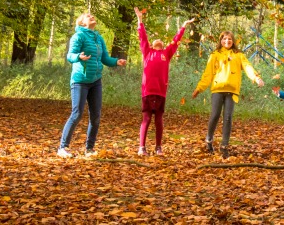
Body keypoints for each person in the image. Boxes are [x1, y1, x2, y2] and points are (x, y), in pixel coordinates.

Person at [58, 13, 126, 158]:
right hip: (80, 80)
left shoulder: (98, 38)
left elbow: (105, 58)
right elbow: (70, 55)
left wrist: (116, 62)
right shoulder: (78, 36)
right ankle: (63, 148)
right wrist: (78, 57)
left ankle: (89, 149)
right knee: (76, 114)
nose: (92, 17)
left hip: (95, 81)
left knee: (95, 116)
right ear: (82, 23)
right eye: (88, 16)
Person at [191, 31, 264, 159]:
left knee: (228, 118)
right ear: (220, 41)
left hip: (232, 91)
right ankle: (209, 139)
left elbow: (248, 67)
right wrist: (199, 88)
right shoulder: (215, 55)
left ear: (233, 41)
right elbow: (208, 73)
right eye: (224, 39)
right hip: (218, 89)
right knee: (215, 115)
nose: (227, 41)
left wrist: (256, 78)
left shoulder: (239, 55)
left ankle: (224, 146)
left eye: (229, 39)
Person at [135, 8, 194, 156]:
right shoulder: (147, 52)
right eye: (155, 40)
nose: (158, 40)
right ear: (152, 44)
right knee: (146, 118)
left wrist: (184, 26)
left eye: (160, 40)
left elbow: (176, 41)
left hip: (161, 92)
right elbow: (142, 37)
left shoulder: (166, 54)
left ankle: (158, 147)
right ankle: (142, 147)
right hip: (147, 91)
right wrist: (140, 20)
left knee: (159, 120)